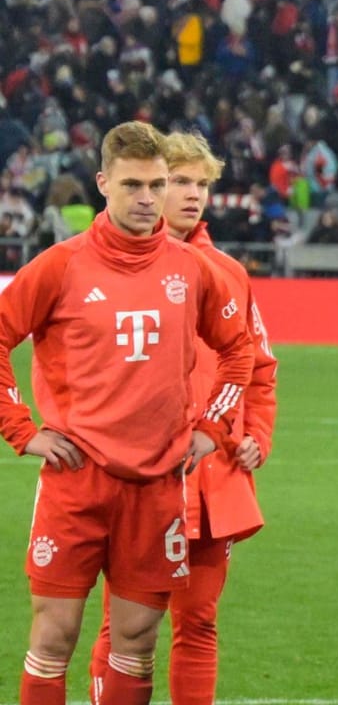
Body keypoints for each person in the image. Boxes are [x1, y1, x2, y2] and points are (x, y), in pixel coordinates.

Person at [0, 121, 254, 705]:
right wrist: (20, 429)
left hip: (158, 486)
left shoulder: (193, 269)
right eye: (134, 185)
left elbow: (240, 349)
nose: (147, 198)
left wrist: (213, 427)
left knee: (136, 645)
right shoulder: (59, 266)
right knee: (53, 638)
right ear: (103, 184)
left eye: (156, 185)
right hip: (75, 481)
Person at [88, 131, 279, 704]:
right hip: (135, 474)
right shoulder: (101, 264)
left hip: (212, 477)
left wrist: (256, 437)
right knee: (122, 626)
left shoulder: (228, 272)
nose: (192, 195)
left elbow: (260, 369)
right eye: (180, 182)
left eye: (202, 184)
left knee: (198, 622)